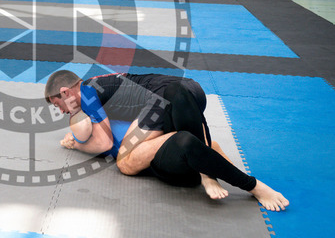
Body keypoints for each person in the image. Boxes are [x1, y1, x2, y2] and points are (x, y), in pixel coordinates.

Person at [45, 70, 290, 212]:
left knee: (125, 162)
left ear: (66, 92)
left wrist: (76, 144)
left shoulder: (87, 91)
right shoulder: (102, 85)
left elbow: (104, 143)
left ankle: (215, 176)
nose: (62, 111)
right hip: (189, 89)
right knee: (189, 142)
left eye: (58, 105)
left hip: (165, 95)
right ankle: (211, 169)